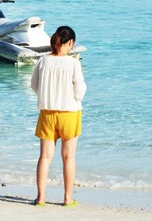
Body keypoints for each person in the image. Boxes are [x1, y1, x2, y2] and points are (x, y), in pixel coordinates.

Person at [30, 26, 87, 207]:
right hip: (69, 113)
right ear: (69, 42)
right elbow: (80, 91)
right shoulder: (73, 63)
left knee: (45, 157)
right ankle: (67, 199)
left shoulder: (43, 61)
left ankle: (40, 198)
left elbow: (34, 85)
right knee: (68, 157)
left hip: (47, 113)